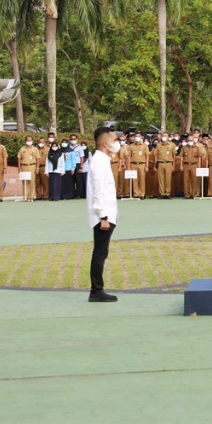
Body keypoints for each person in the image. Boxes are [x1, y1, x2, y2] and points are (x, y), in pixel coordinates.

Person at [87, 126, 121, 303]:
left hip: (106, 213)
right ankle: (96, 290)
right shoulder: (99, 161)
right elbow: (99, 190)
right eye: (115, 140)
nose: (117, 143)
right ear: (105, 142)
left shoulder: (102, 159)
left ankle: (97, 289)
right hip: (103, 215)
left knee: (101, 252)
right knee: (100, 253)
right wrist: (103, 217)